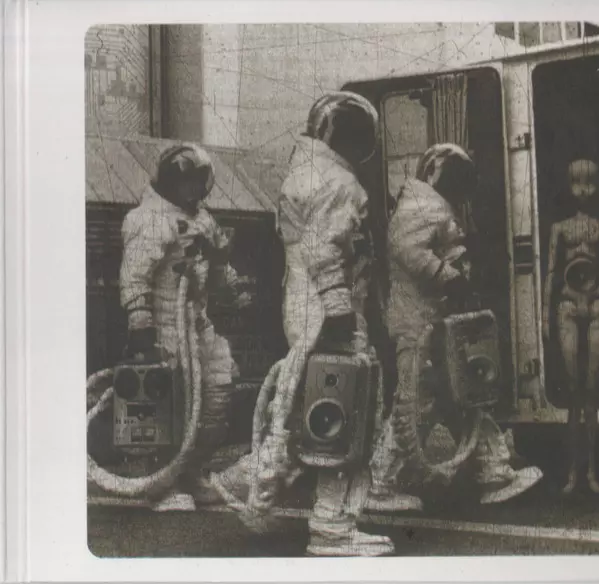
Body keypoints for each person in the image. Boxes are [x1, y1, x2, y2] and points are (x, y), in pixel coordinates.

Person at [205, 91, 411, 556]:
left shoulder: (303, 174)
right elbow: (326, 250)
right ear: (348, 137)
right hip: (330, 313)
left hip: (304, 309)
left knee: (309, 412)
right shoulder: (339, 183)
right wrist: (339, 312)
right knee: (347, 413)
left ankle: (251, 480)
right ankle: (332, 527)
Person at [366, 143, 543, 511]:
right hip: (418, 324)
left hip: (433, 321)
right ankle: (380, 484)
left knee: (464, 396)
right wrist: (450, 277)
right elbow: (408, 251)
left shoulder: (428, 205)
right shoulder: (420, 206)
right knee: (416, 405)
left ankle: (494, 471)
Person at [120, 143, 251, 512]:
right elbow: (134, 275)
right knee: (166, 404)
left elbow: (218, 278)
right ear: (169, 182)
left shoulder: (204, 220)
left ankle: (192, 471)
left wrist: (227, 272)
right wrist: (140, 323)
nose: (192, 190)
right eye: (185, 182)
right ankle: (162, 484)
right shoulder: (148, 219)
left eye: (197, 182)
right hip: (163, 324)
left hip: (197, 322)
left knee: (217, 393)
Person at [543, 158, 599, 494]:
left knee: (592, 389)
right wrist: (544, 316)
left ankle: (591, 471)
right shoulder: (560, 228)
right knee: (574, 391)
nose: (584, 190)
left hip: (595, 305)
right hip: (566, 305)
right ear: (569, 186)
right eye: (578, 182)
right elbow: (551, 272)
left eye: (590, 182)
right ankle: (573, 473)